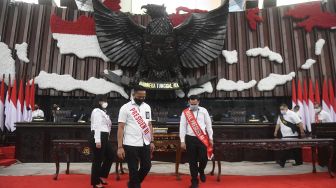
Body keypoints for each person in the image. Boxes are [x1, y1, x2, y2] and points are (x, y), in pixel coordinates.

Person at [117, 87, 154, 188]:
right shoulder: (125, 108)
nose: (142, 99)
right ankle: (135, 185)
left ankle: (132, 184)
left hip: (145, 142)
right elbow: (120, 127)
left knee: (147, 166)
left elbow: (149, 124)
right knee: (133, 169)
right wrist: (120, 147)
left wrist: (151, 140)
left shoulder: (147, 107)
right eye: (139, 97)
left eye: (144, 97)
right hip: (130, 143)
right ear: (133, 95)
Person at [179, 95, 213, 188]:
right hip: (190, 139)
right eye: (191, 103)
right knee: (192, 161)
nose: (193, 105)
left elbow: (208, 125)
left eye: (195, 104)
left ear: (198, 102)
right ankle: (194, 181)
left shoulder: (204, 111)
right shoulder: (185, 112)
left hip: (202, 138)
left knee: (204, 158)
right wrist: (182, 141)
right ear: (189, 102)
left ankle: (201, 170)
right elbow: (182, 127)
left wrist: (211, 137)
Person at [89, 95, 114, 188]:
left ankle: (101, 175)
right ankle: (95, 182)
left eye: (105, 100)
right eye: (103, 101)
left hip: (104, 137)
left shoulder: (103, 112)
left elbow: (108, 126)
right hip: (98, 136)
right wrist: (98, 140)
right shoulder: (96, 111)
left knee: (111, 155)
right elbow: (97, 126)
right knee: (97, 160)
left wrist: (106, 137)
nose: (105, 102)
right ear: (98, 102)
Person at [274, 103, 305, 168]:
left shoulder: (292, 114)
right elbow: (278, 124)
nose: (281, 110)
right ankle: (299, 162)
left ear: (286, 108)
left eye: (282, 109)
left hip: (292, 135)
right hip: (284, 135)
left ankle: (282, 162)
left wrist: (302, 132)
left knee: (286, 149)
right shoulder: (281, 115)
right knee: (295, 149)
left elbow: (299, 123)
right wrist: (276, 131)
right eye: (280, 109)